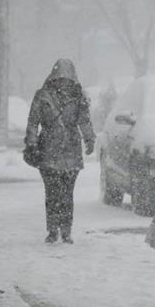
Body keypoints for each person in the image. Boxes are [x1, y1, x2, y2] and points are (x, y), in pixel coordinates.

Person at [25, 59, 96, 244]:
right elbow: (33, 121)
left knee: (66, 194)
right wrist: (31, 144)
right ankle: (53, 229)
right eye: (60, 77)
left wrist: (90, 139)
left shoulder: (78, 96)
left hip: (70, 150)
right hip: (48, 151)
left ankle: (65, 229)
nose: (63, 81)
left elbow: (84, 121)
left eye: (66, 77)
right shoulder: (43, 96)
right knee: (52, 193)